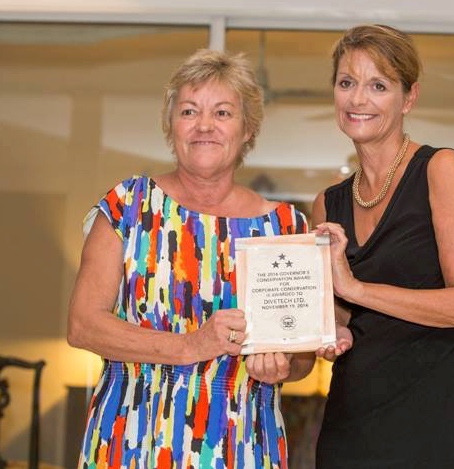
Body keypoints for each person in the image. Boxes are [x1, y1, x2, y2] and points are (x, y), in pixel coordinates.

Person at [67, 49, 317, 469]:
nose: (205, 126)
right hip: (131, 440)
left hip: (242, 444)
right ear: (171, 125)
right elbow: (82, 325)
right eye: (189, 111)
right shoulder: (128, 206)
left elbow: (303, 356)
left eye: (222, 112)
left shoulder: (287, 226)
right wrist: (189, 346)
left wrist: (283, 368)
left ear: (247, 128)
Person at [313, 24, 454, 468]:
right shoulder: (327, 203)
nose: (358, 100)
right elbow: (339, 312)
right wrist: (332, 328)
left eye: (378, 85)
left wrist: (355, 289)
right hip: (351, 414)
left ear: (408, 97)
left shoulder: (440, 169)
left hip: (433, 414)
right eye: (347, 82)